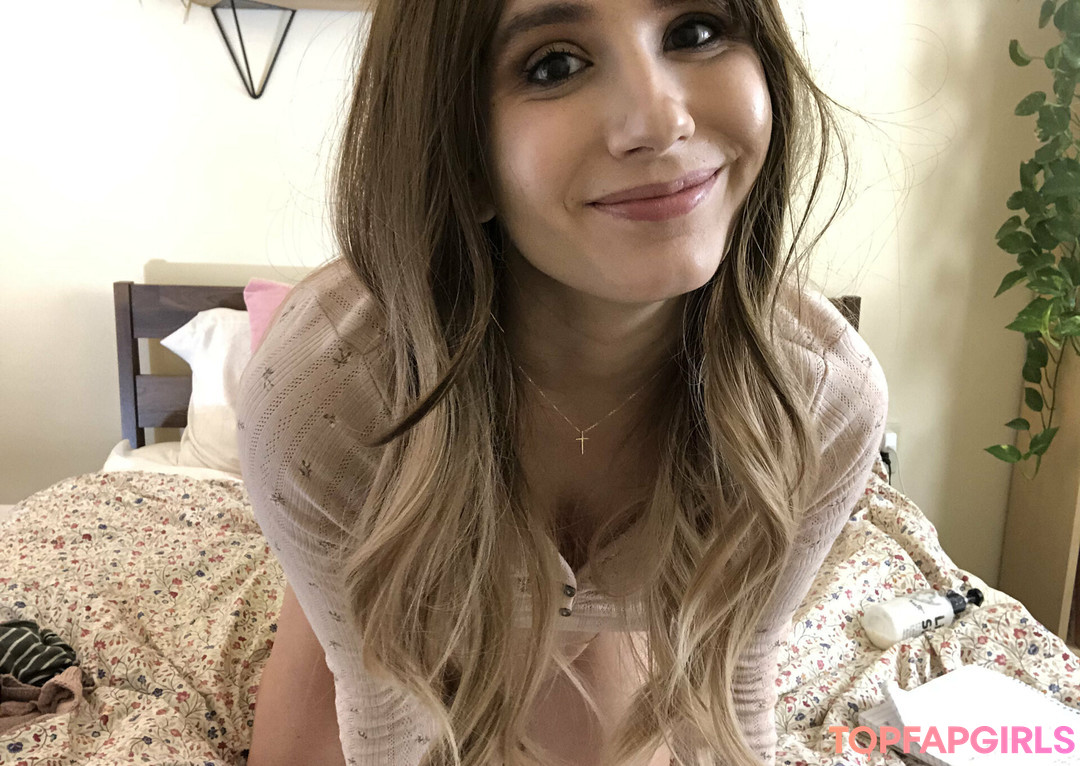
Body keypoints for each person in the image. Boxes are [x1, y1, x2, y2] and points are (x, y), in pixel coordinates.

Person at [237, 0, 888, 764]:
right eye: (554, 66)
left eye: (695, 31)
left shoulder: (823, 402)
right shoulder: (322, 404)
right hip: (391, 563)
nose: (662, 121)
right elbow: (388, 711)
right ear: (463, 157)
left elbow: (734, 678)